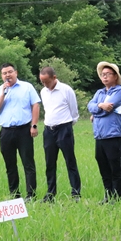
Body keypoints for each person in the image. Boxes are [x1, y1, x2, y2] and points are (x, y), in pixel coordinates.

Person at [0, 63, 41, 200]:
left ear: (16, 72)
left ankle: (31, 195)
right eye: (4, 73)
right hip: (6, 132)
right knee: (10, 165)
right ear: (1, 75)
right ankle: (15, 195)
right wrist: (3, 94)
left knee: (28, 164)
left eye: (10, 72)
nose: (8, 75)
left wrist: (34, 125)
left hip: (24, 130)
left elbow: (35, 105)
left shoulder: (27, 87)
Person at [39, 66, 81, 202]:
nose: (45, 85)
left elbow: (74, 111)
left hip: (64, 128)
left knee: (70, 161)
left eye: (47, 81)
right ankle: (50, 193)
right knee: (50, 163)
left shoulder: (66, 90)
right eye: (42, 82)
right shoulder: (43, 92)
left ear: (54, 78)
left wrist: (67, 126)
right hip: (48, 130)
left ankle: (76, 193)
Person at [87, 62, 121, 203]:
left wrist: (96, 112)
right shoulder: (99, 93)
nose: (104, 77)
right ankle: (107, 195)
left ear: (115, 76)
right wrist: (100, 105)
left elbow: (108, 109)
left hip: (112, 135)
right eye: (102, 74)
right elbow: (90, 105)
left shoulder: (119, 91)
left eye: (107, 74)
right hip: (99, 135)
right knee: (103, 166)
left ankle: (116, 197)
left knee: (115, 167)